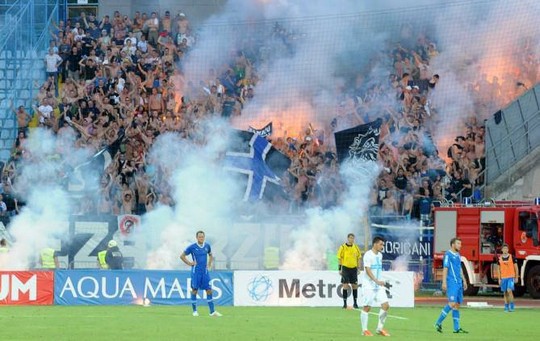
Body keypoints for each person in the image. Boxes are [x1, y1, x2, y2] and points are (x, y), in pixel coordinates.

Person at [180, 230, 222, 317]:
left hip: (205, 272)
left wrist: (209, 264)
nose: (201, 238)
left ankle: (212, 312)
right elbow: (182, 256)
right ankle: (194, 311)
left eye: (202, 237)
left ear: (204, 237)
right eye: (199, 237)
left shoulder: (207, 246)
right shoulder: (192, 247)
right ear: (197, 237)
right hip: (196, 272)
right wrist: (189, 263)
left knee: (209, 290)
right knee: (195, 290)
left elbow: (210, 255)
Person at [435, 237, 468, 334]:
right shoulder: (448, 255)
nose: (460, 245)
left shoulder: (458, 255)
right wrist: (444, 282)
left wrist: (464, 280)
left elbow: (460, 268)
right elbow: (445, 268)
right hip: (451, 282)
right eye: (458, 243)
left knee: (457, 305)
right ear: (453, 244)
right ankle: (438, 322)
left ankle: (456, 328)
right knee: (452, 303)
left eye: (460, 244)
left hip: (458, 282)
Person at [360, 236, 390, 337]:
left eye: (383, 245)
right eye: (381, 244)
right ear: (375, 244)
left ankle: (379, 328)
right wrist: (376, 280)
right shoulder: (368, 255)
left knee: (385, 305)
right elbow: (367, 270)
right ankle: (364, 330)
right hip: (369, 285)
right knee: (367, 307)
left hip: (378, 285)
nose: (382, 246)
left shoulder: (380, 255)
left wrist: (380, 280)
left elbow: (377, 270)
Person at [337, 233, 362, 309]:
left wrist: (359, 268)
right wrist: (340, 269)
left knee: (354, 286)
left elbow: (359, 258)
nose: (352, 239)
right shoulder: (342, 247)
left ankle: (355, 303)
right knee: (345, 285)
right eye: (350, 238)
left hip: (353, 269)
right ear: (348, 238)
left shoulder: (356, 248)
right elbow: (339, 258)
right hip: (345, 268)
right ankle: (345, 303)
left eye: (353, 238)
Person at [498, 243, 518, 312]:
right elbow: (498, 269)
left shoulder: (512, 257)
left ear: (508, 249)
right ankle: (506, 306)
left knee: (509, 290)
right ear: (502, 250)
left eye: (506, 248)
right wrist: (499, 278)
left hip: (510, 277)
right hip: (503, 277)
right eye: (504, 249)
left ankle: (511, 305)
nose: (505, 250)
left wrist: (516, 277)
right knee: (505, 292)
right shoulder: (499, 258)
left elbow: (516, 268)